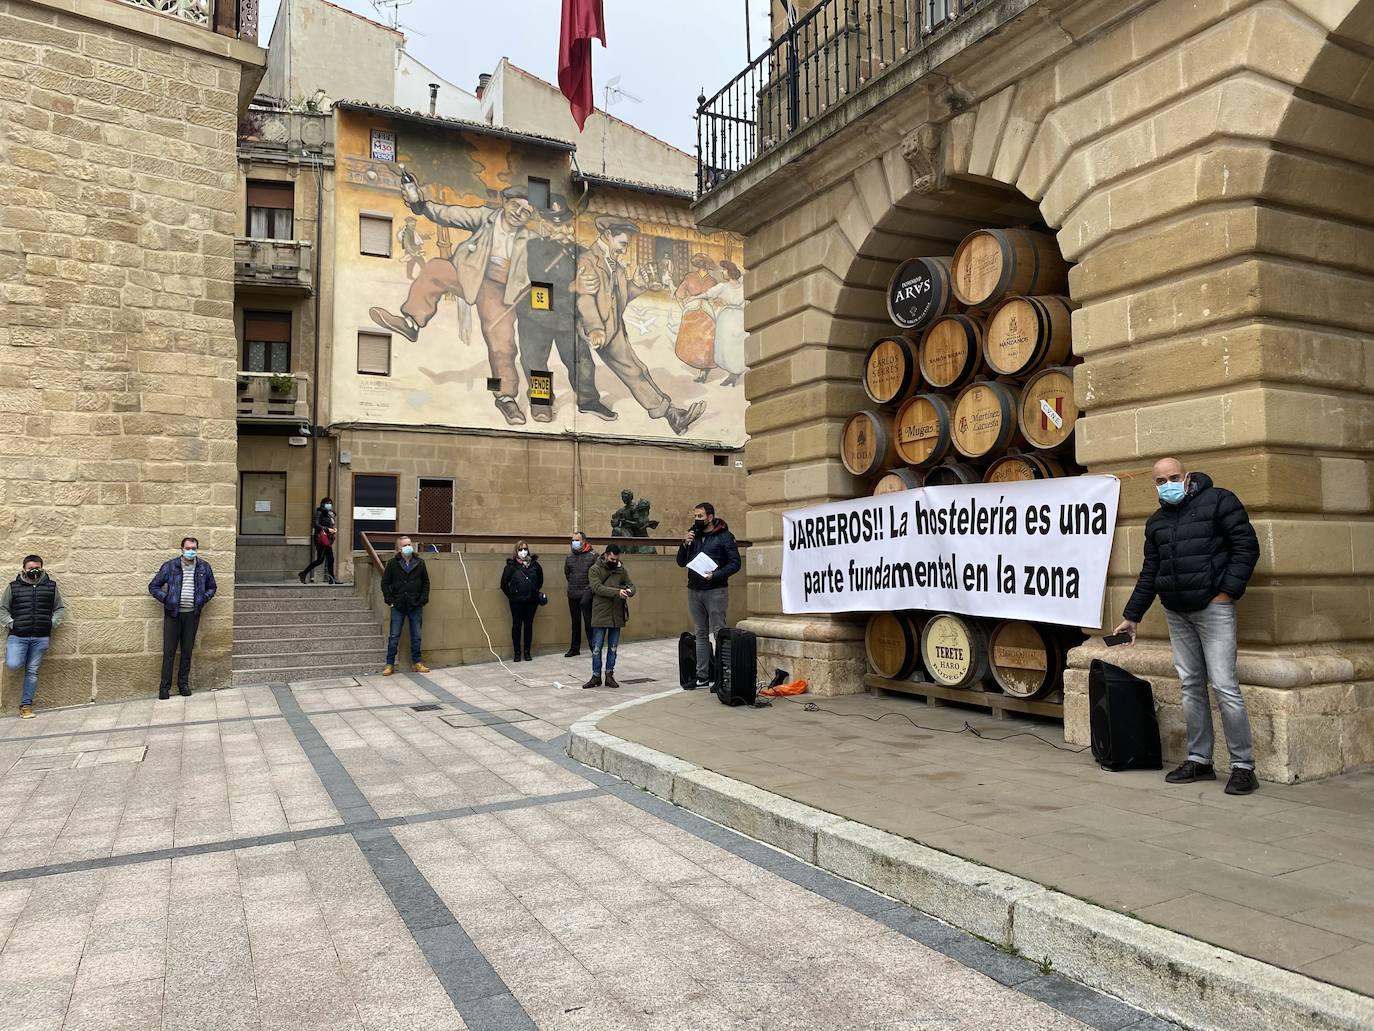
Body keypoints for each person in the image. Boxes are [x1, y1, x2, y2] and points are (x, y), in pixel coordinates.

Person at [1114, 457, 1260, 795]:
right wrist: (1132, 615)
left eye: (1174, 477)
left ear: (1188, 476)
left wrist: (1227, 593)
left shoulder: (1220, 500)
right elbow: (1151, 571)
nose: (1168, 483)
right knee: (1191, 685)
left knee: (1224, 685)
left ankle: (1243, 766)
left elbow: (1246, 547)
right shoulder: (1156, 522)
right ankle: (1200, 760)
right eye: (1160, 480)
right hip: (1176, 612)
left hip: (1213, 608)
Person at [369, 179, 538, 426]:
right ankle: (411, 322)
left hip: (500, 291)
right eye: (515, 206)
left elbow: (547, 269)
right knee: (436, 268)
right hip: (470, 273)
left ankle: (506, 398)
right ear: (505, 203)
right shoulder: (486, 218)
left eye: (526, 212)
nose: (518, 214)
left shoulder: (532, 239)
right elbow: (449, 214)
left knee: (502, 343)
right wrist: (419, 203)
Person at [575, 215, 706, 436]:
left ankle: (672, 414)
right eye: (623, 244)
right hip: (594, 328)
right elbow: (585, 299)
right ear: (608, 236)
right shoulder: (588, 260)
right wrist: (595, 328)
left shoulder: (615, 264)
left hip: (613, 325)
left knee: (638, 369)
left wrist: (638, 284)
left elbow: (620, 298)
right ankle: (672, 415)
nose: (625, 250)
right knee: (624, 370)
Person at [519, 195, 613, 422]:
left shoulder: (580, 252)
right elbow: (538, 277)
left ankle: (588, 400)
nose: (562, 227)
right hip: (536, 314)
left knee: (581, 360)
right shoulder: (535, 247)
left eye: (565, 222)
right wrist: (573, 285)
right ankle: (541, 402)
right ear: (546, 224)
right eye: (555, 223)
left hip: (566, 316)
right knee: (536, 362)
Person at [677, 502, 742, 690]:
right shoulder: (693, 536)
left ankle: (722, 676)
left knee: (719, 632)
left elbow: (735, 563)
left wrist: (716, 574)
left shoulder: (724, 537)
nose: (696, 520)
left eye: (700, 516)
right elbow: (681, 562)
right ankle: (702, 676)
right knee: (700, 634)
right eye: (695, 516)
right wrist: (684, 544)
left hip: (716, 590)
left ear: (710, 517)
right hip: (694, 590)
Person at [148, 537, 217, 699]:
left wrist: (203, 598)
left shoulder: (204, 567)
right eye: (188, 548)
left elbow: (212, 587)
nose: (191, 551)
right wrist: (167, 599)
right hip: (173, 615)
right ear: (182, 549)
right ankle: (164, 688)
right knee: (169, 651)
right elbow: (153, 586)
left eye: (194, 548)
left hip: (192, 615)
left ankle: (183, 684)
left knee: (186, 651)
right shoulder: (170, 566)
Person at [1, 555, 65, 719]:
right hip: (18, 636)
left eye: (37, 567)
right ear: (23, 569)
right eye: (30, 568)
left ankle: (26, 706)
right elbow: (3, 609)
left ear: (42, 568)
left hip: (40, 637)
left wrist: (52, 623)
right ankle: (20, 656)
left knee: (32, 671)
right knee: (14, 664)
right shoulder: (13, 587)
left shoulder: (51, 587)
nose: (34, 570)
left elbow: (59, 608)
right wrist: (11, 624)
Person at [584, 542, 634, 690]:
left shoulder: (621, 569)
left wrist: (629, 591)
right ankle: (595, 675)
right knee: (597, 647)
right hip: (600, 613)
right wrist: (617, 592)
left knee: (613, 648)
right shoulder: (595, 569)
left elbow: (631, 585)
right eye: (612, 559)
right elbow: (597, 588)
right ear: (605, 555)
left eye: (616, 560)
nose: (614, 562)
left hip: (616, 613)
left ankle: (609, 675)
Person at [381, 536, 430, 676]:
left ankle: (417, 663)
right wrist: (389, 600)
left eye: (409, 544)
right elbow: (385, 583)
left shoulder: (420, 562)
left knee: (416, 635)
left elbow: (426, 582)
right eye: (404, 545)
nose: (408, 547)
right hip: (398, 605)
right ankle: (389, 664)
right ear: (398, 548)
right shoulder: (392, 564)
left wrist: (423, 599)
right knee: (394, 636)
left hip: (415, 604)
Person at [674, 253, 720, 382]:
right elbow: (679, 293)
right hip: (692, 311)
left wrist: (717, 308)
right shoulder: (690, 277)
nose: (703, 266)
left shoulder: (712, 281)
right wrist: (684, 307)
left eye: (705, 264)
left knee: (707, 342)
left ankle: (704, 371)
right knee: (692, 340)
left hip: (707, 312)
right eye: (701, 263)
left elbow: (716, 299)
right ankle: (695, 363)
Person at [500, 540, 544, 662]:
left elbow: (540, 581)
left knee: (528, 626)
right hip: (516, 601)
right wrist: (512, 596)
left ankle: (527, 652)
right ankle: (517, 653)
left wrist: (533, 592)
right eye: (520, 549)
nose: (523, 552)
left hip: (531, 601)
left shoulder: (535, 565)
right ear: (516, 551)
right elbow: (503, 584)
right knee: (517, 626)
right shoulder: (511, 566)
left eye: (525, 549)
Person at [706, 260, 746, 388]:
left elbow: (707, 294)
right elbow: (708, 294)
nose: (721, 272)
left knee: (738, 346)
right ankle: (732, 374)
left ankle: (735, 373)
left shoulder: (742, 286)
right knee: (726, 346)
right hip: (728, 318)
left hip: (738, 317)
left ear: (729, 271)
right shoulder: (723, 286)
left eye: (723, 270)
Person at [564, 531, 596, 658]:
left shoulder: (593, 556)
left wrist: (588, 590)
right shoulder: (569, 557)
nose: (574, 543)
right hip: (573, 593)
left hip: (587, 594)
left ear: (584, 541)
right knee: (575, 623)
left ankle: (593, 647)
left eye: (577, 540)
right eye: (573, 540)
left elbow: (596, 576)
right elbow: (567, 574)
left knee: (589, 623)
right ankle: (574, 648)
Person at [299, 497, 338, 584]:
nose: (329, 505)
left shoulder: (328, 514)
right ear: (323, 504)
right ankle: (303, 573)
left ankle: (332, 579)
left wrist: (332, 529)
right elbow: (316, 524)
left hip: (327, 540)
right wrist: (327, 529)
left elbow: (327, 524)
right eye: (328, 503)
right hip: (321, 540)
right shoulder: (319, 513)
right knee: (321, 560)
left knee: (329, 559)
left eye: (330, 503)